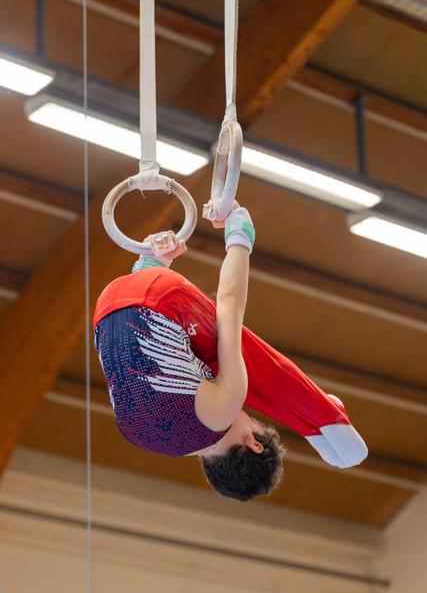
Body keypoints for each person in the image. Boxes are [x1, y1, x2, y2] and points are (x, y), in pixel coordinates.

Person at [94, 207, 368, 502]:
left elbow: (230, 302)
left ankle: (323, 415)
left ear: (253, 443)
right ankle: (149, 264)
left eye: (253, 419)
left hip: (159, 296)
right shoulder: (150, 443)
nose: (246, 411)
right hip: (106, 307)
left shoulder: (220, 414)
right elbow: (127, 364)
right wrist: (149, 269)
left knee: (230, 346)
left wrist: (239, 236)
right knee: (194, 365)